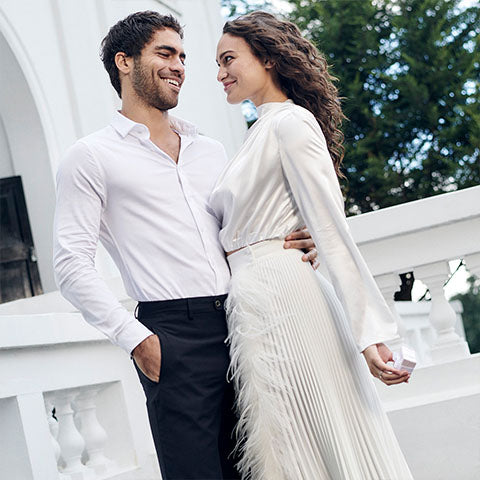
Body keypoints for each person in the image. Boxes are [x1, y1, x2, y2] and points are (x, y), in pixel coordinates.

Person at [53, 11, 317, 480]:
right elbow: (71, 263)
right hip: (171, 335)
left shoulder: (211, 149)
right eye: (165, 53)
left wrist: (295, 240)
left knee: (266, 469)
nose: (179, 65)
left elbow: (237, 232)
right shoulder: (91, 156)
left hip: (243, 323)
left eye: (182, 56)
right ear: (124, 62)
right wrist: (137, 340)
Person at [210, 11, 414, 480]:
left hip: (288, 299)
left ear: (267, 58)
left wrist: (370, 338)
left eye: (228, 59)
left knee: (316, 437)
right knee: (289, 446)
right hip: (257, 302)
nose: (220, 73)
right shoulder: (258, 131)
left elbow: (330, 230)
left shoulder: (291, 124)